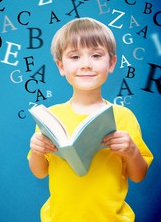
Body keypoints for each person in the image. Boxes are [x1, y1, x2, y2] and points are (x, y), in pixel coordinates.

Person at [28, 17, 153, 222]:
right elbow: (39, 172)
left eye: (96, 55)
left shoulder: (123, 116)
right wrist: (36, 151)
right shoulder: (50, 117)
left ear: (111, 63)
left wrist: (131, 151)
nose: (86, 65)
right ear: (61, 66)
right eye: (75, 57)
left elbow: (138, 175)